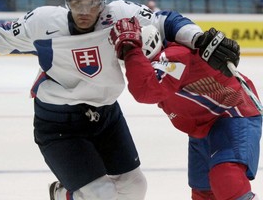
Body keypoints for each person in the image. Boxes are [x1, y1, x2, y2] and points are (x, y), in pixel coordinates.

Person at [0, 0, 240, 200]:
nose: (84, 10)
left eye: (92, 3)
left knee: (135, 188)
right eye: (77, 2)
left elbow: (167, 21)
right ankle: (67, 193)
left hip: (107, 116)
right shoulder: (43, 21)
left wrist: (198, 38)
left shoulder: (121, 14)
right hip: (59, 123)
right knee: (102, 196)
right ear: (67, 1)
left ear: (104, 2)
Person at [108, 17, 262, 200]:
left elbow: (147, 91)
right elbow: (164, 16)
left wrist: (131, 48)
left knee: (226, 178)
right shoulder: (164, 57)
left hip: (232, 114)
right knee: (203, 191)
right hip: (203, 127)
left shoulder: (175, 57)